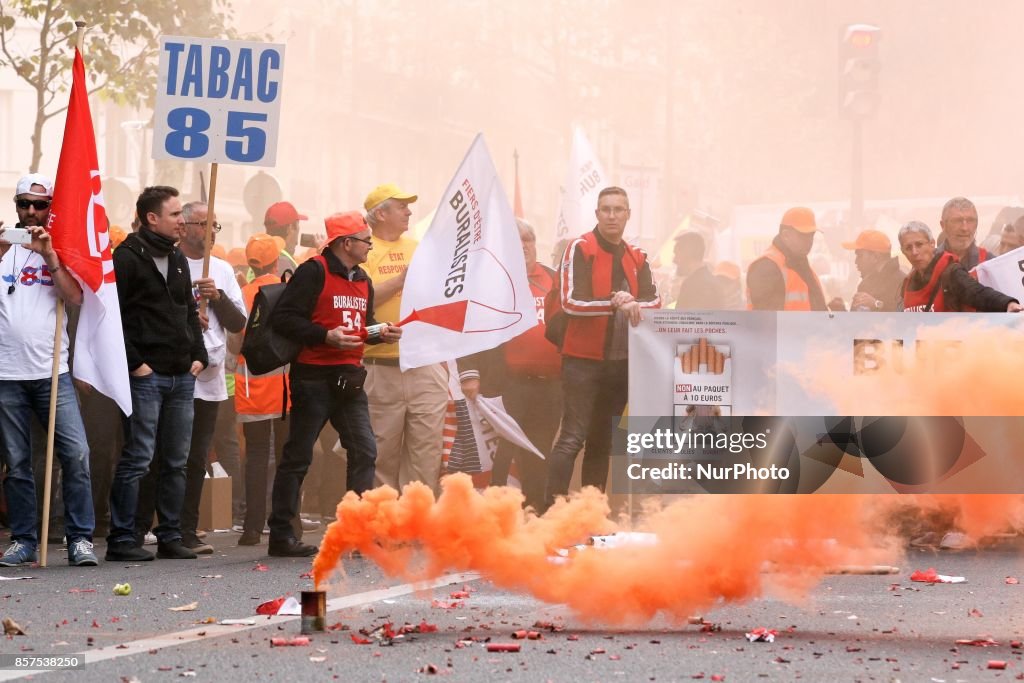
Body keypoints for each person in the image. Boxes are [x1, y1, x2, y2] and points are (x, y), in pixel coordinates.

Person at [267, 212, 401, 557]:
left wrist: (380, 332)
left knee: (365, 450)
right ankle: (282, 534)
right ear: (346, 243)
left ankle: (357, 533)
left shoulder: (363, 279)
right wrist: (324, 335)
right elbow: (283, 319)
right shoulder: (314, 271)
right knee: (299, 456)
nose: (370, 245)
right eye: (365, 239)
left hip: (350, 378)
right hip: (313, 377)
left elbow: (363, 324)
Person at [0, 173, 97, 567]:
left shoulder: (63, 245)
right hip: (7, 373)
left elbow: (75, 297)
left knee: (76, 454)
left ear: (52, 208)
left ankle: (80, 538)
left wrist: (50, 257)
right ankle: (23, 538)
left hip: (51, 370)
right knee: (17, 462)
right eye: (24, 203)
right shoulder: (5, 246)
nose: (31, 212)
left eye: (40, 205)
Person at [107, 186, 208, 562]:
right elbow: (112, 317)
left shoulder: (177, 258)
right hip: (145, 376)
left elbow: (187, 309)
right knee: (138, 458)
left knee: (176, 460)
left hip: (181, 375)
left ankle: (170, 535)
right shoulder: (128, 257)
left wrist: (198, 355)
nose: (182, 220)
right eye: (175, 214)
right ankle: (122, 538)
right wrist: (137, 364)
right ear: (152, 218)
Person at [544, 187, 660, 509]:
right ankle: (553, 513)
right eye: (606, 209)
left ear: (627, 215)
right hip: (582, 361)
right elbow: (570, 302)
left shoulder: (637, 256)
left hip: (621, 363)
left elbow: (655, 301)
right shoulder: (580, 248)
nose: (612, 215)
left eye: (618, 209)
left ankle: (590, 515)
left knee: (602, 442)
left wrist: (633, 302)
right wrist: (615, 303)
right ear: (597, 214)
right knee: (572, 438)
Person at [458, 219, 561, 510]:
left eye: (528, 240)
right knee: (504, 452)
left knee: (540, 451)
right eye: (516, 242)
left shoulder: (554, 278)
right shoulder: (493, 281)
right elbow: (473, 327)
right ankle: (495, 513)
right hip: (508, 383)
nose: (523, 247)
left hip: (551, 385)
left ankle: (535, 512)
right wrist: (469, 373)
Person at [362, 184, 448, 492]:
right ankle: (385, 532)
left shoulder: (419, 247)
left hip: (424, 364)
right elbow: (360, 298)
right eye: (402, 206)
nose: (409, 211)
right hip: (380, 367)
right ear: (381, 213)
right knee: (381, 457)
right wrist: (401, 279)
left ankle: (418, 528)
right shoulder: (362, 248)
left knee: (426, 455)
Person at [175, 202, 246, 553]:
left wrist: (215, 297)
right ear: (183, 226)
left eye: (215, 225)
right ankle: (157, 525)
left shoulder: (221, 269)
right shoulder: (168, 262)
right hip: (172, 371)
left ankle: (187, 528)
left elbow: (237, 323)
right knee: (165, 452)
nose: (211, 231)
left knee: (196, 454)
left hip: (210, 378)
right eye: (205, 224)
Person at [234, 233, 290, 546]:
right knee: (286, 456)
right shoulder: (286, 289)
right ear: (276, 260)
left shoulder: (243, 293)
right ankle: (286, 522)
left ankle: (251, 528)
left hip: (250, 387)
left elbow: (235, 342)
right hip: (284, 389)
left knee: (254, 457)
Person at [898, 221, 1021, 313]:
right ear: (902, 251)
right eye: (908, 248)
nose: (914, 252)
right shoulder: (908, 283)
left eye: (919, 245)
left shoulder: (951, 272)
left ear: (932, 244)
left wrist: (1007, 304)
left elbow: (976, 292)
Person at [746, 207, 828, 311]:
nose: (809, 241)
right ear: (785, 235)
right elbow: (767, 321)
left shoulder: (801, 265)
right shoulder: (767, 266)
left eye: (811, 236)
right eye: (803, 236)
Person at [838, 229, 906, 312]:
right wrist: (840, 310)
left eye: (860, 255)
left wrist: (876, 304)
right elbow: (855, 321)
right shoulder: (866, 283)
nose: (856, 261)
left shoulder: (902, 282)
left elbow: (906, 317)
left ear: (876, 257)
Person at [672, 232, 724, 310]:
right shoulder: (712, 281)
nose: (674, 260)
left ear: (688, 255)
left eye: (677, 254)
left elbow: (685, 320)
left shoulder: (694, 285)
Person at [937, 197, 990, 271]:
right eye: (957, 221)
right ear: (943, 225)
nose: (964, 228)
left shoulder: (990, 263)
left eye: (970, 220)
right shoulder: (928, 262)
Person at [263, 201, 308, 275]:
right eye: (297, 230)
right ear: (290, 228)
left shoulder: (259, 258)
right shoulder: (282, 265)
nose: (296, 242)